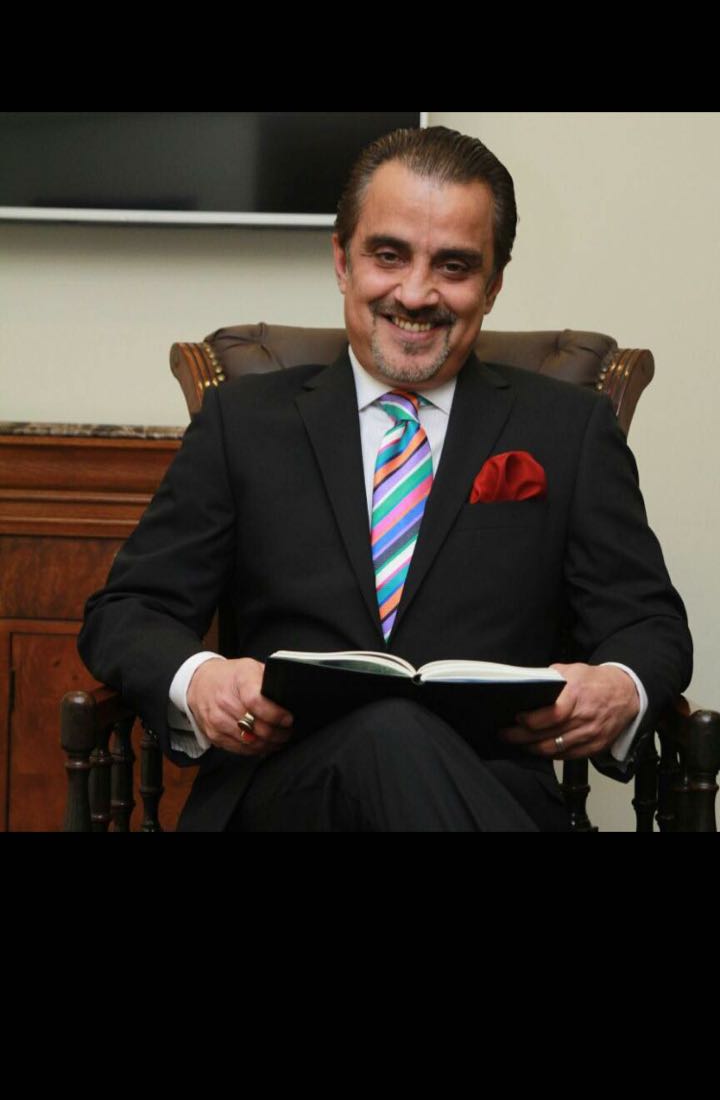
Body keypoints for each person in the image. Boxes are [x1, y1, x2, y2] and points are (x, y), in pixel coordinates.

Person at [78, 125, 692, 831]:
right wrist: (202, 680)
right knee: (386, 730)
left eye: (454, 266)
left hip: (484, 790)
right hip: (283, 794)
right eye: (389, 255)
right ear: (343, 261)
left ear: (492, 287)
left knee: (396, 734)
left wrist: (619, 686)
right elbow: (127, 611)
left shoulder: (568, 430)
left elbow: (649, 624)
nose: (416, 293)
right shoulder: (242, 422)